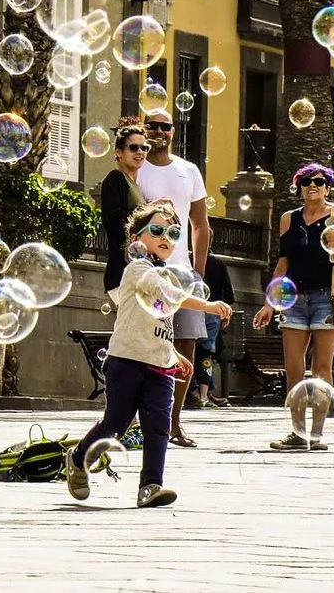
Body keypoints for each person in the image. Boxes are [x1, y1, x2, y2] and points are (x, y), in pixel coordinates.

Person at [63, 201, 233, 509]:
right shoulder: (138, 269)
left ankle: (150, 485)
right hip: (126, 360)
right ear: (136, 239)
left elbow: (160, 319)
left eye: (173, 232)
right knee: (115, 424)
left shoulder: (165, 273)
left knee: (159, 424)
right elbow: (167, 296)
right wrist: (207, 306)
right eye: (156, 230)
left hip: (159, 364)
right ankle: (76, 458)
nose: (165, 236)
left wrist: (172, 353)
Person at [251, 161, 334, 451]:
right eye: (305, 182)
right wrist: (269, 303)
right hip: (294, 300)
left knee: (322, 368)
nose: (311, 185)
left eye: (318, 181)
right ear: (299, 188)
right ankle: (297, 433)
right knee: (293, 367)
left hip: (327, 297)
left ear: (328, 187)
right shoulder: (289, 218)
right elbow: (283, 262)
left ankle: (316, 434)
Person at [132, 107, 214, 447]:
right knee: (145, 346)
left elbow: (200, 225)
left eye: (164, 126)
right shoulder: (136, 169)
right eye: (151, 125)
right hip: (148, 271)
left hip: (182, 272)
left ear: (173, 131)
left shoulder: (188, 170)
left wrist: (198, 272)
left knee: (186, 346)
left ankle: (174, 423)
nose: (158, 131)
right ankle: (142, 422)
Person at [97, 119, 151, 294]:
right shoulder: (115, 178)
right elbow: (114, 222)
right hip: (121, 274)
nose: (140, 152)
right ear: (118, 152)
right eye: (133, 147)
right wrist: (150, 210)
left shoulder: (137, 185)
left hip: (135, 272)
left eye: (144, 148)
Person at [193, 253, 235, 408]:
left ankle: (194, 392)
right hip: (213, 311)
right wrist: (225, 311)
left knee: (188, 348)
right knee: (206, 352)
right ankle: (204, 394)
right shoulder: (218, 263)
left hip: (190, 309)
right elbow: (228, 294)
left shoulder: (187, 260)